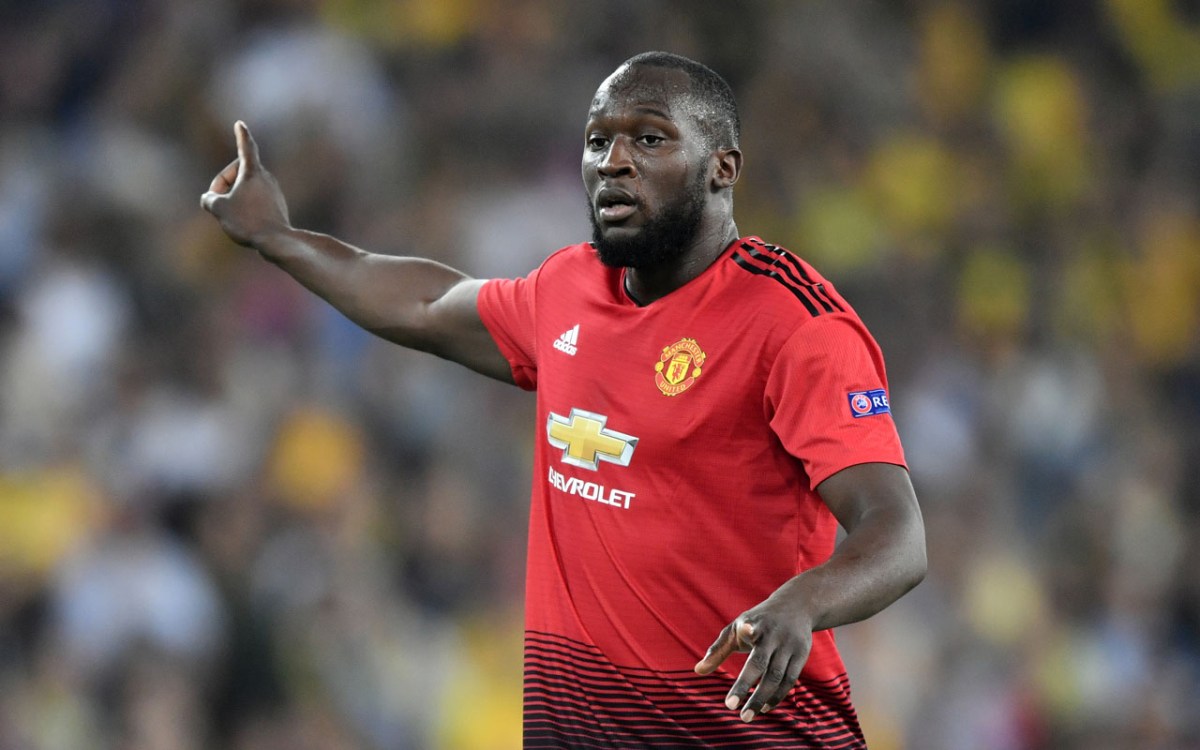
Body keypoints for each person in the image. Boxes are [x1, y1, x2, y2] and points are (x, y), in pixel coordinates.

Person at [202, 51, 926, 749]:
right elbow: (425, 304)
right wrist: (278, 237)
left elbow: (896, 534)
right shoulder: (568, 291)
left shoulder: (796, 325)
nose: (613, 162)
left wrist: (805, 600)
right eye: (597, 141)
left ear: (722, 167)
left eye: (649, 138)